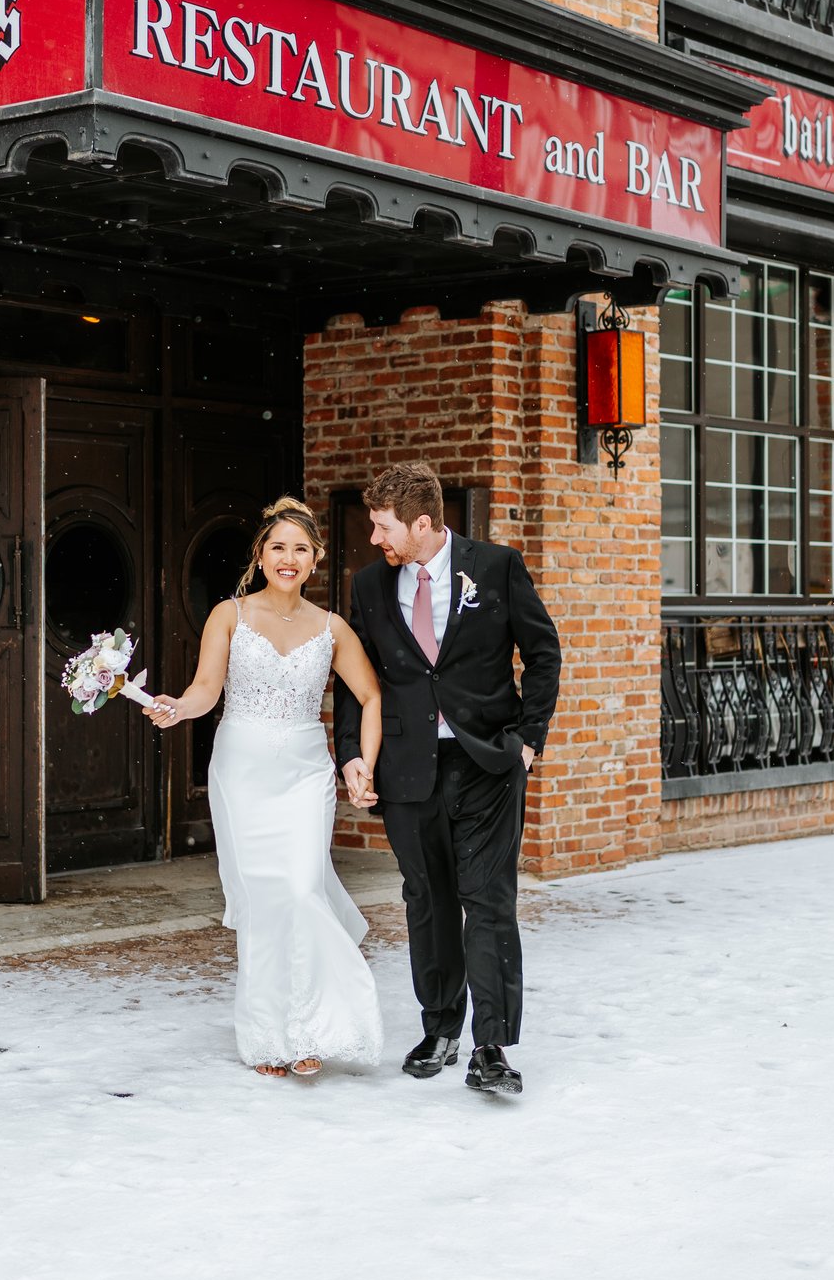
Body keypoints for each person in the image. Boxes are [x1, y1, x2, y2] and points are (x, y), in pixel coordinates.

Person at [333, 463, 561, 1097]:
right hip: (408, 772)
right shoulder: (370, 586)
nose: (375, 539)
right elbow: (359, 682)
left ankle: (491, 1047)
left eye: (384, 527)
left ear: (423, 522)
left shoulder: (496, 568)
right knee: (427, 901)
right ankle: (440, 1028)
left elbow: (544, 653)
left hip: (488, 764)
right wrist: (352, 752)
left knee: (487, 901)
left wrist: (529, 740)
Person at [146, 498, 384, 1079]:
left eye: (300, 549)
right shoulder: (229, 616)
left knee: (302, 891)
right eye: (278, 546)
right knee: (262, 904)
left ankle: (309, 1028)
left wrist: (363, 765)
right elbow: (206, 689)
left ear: (315, 560)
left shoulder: (333, 629)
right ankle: (267, 1039)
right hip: (241, 773)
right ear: (260, 555)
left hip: (305, 772)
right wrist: (179, 708)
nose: (288, 557)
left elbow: (372, 696)